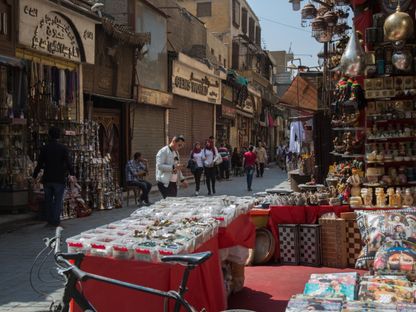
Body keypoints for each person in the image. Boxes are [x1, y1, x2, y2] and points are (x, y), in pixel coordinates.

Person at [32, 126, 76, 227]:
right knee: (57, 200)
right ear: (59, 136)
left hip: (47, 178)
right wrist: (72, 174)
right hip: (59, 178)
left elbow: (39, 164)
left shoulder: (44, 148)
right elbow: (68, 163)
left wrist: (34, 175)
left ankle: (49, 220)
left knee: (48, 200)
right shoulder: (63, 148)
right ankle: (55, 221)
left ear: (49, 135)